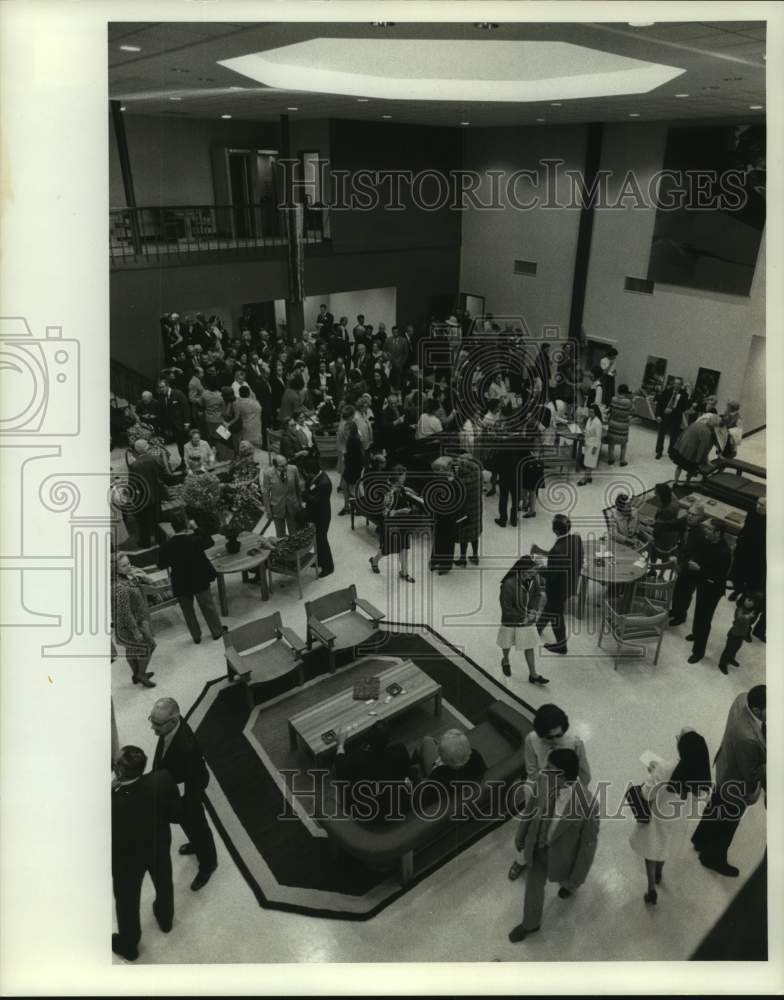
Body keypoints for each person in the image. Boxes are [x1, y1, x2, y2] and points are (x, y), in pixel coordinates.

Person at [508, 748, 599, 943]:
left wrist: (577, 878)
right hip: (537, 847)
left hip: (563, 858)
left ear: (563, 776)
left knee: (565, 881)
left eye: (550, 769)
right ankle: (530, 924)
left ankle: (569, 887)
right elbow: (531, 808)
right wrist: (521, 833)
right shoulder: (543, 781)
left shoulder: (588, 805)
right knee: (533, 889)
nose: (545, 771)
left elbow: (587, 847)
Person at [111, 745, 181, 961]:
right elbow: (176, 815)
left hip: (126, 859)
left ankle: (129, 945)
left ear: (119, 772)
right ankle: (165, 919)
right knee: (164, 883)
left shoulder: (109, 801)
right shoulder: (162, 780)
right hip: (157, 846)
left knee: (127, 901)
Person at [508, 704, 591, 880]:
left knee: (556, 834)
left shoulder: (575, 744)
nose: (554, 740)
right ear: (540, 734)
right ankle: (521, 860)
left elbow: (584, 776)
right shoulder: (531, 740)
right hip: (540, 792)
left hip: (564, 797)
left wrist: (570, 796)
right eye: (548, 737)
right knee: (531, 831)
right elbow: (531, 771)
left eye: (558, 735)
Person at [629, 729, 711, 905]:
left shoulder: (665, 768)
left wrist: (651, 772)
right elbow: (699, 798)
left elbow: (646, 794)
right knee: (665, 846)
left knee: (651, 849)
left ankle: (651, 887)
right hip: (679, 819)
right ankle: (660, 872)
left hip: (658, 816)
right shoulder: (700, 775)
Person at [691, 686, 766, 877]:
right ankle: (712, 858)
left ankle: (700, 839)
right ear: (757, 711)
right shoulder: (748, 739)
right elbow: (751, 774)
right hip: (735, 784)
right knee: (727, 824)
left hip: (725, 765)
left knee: (715, 806)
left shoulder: (742, 698)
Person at [150, 697, 218, 891]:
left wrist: (181, 801)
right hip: (180, 782)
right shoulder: (171, 728)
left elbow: (191, 780)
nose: (153, 728)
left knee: (197, 824)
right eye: (152, 721)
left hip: (190, 790)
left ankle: (208, 864)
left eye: (157, 724)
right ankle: (196, 844)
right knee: (186, 822)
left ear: (173, 721)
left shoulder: (185, 747)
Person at [157, 511, 225, 644]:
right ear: (187, 524)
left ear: (172, 527)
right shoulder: (195, 539)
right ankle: (217, 631)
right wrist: (197, 528)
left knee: (188, 610)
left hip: (180, 580)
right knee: (208, 606)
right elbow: (210, 542)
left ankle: (196, 636)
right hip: (199, 577)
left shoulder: (167, 545)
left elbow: (161, 565)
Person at [333, 721, 413, 819]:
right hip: (393, 805)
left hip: (366, 812)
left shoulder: (357, 760)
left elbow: (340, 766)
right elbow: (407, 775)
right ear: (389, 739)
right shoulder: (400, 750)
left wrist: (340, 744)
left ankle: (343, 805)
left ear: (368, 742)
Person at [532, 514, 583, 655]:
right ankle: (538, 628)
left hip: (557, 589)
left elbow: (551, 574)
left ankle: (561, 646)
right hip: (570, 583)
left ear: (555, 530)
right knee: (550, 608)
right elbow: (579, 559)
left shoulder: (557, 550)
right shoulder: (576, 539)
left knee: (556, 615)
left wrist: (538, 566)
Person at [685, 519, 732, 664]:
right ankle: (696, 633)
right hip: (702, 583)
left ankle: (698, 652)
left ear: (718, 533)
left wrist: (699, 569)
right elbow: (699, 554)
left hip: (713, 590)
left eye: (710, 529)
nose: (706, 530)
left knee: (705, 620)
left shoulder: (724, 552)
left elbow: (718, 576)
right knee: (698, 611)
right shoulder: (707, 541)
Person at [497, 556, 548, 685]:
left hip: (527, 618)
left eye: (534, 573)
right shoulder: (508, 585)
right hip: (511, 620)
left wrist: (532, 611)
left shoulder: (533, 578)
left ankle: (533, 674)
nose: (533, 576)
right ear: (521, 570)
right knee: (507, 644)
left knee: (529, 645)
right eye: (530, 573)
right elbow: (506, 608)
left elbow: (537, 594)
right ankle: (505, 660)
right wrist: (523, 618)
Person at [112, 553, 157, 688]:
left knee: (130, 650)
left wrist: (141, 576)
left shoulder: (126, 577)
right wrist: (136, 631)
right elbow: (125, 612)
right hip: (132, 623)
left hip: (128, 622)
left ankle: (136, 674)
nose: (129, 567)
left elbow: (150, 582)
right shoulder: (119, 587)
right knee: (149, 646)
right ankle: (141, 674)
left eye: (129, 563)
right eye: (124, 565)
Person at [728, 496, 766, 642]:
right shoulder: (752, 513)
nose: (758, 506)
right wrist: (739, 542)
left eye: (762, 505)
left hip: (757, 557)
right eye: (758, 503)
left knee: (751, 584)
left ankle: (743, 597)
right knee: (737, 575)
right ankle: (737, 590)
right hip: (744, 550)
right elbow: (746, 529)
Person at [369, 464, 415, 583]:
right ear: (398, 476)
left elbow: (403, 493)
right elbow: (384, 513)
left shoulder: (400, 487)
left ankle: (404, 573)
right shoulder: (389, 492)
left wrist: (409, 492)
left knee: (404, 547)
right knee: (387, 550)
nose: (405, 477)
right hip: (392, 525)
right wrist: (401, 511)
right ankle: (374, 561)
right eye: (403, 475)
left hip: (403, 523)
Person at [415, 729, 486, 796]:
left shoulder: (438, 774)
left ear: (443, 759)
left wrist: (435, 767)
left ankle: (415, 759)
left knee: (427, 740)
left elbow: (427, 792)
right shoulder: (476, 756)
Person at [668, 503, 707, 626]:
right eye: (689, 513)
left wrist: (682, 565)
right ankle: (675, 610)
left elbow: (696, 555)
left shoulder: (701, 534)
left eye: (694, 515)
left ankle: (681, 616)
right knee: (677, 590)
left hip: (691, 569)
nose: (690, 516)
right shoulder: (686, 523)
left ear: (700, 517)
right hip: (682, 564)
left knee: (685, 593)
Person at [129, 438, 169, 549]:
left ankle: (145, 542)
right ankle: (162, 541)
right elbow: (165, 476)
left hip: (144, 497)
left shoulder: (134, 465)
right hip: (157, 494)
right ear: (147, 447)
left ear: (137, 451)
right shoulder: (156, 459)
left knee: (143, 522)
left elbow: (133, 484)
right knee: (157, 519)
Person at [302, 456, 334, 578]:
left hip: (322, 516)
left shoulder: (324, 483)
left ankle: (328, 567)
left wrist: (305, 495)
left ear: (311, 471)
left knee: (322, 541)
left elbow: (317, 501)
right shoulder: (316, 477)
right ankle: (320, 560)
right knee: (318, 540)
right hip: (316, 514)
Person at [260, 454, 303, 537]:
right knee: (280, 535)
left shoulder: (293, 469)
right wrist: (268, 510)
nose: (285, 467)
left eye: (286, 464)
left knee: (295, 533)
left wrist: (300, 503)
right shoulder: (268, 473)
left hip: (292, 505)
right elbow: (265, 493)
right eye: (282, 466)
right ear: (275, 466)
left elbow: (298, 487)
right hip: (277, 507)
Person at [671, 413, 722, 483]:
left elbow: (683, 433)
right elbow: (703, 447)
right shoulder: (707, 432)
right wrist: (701, 460)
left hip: (683, 448)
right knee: (691, 469)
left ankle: (675, 481)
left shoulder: (696, 423)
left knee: (679, 466)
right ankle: (687, 482)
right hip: (692, 453)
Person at [718, 595, 758, 675]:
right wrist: (748, 616)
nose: (750, 603)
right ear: (744, 599)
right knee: (729, 649)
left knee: (736, 648)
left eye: (753, 602)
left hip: (741, 635)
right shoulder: (739, 609)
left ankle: (731, 658)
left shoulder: (750, 612)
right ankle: (722, 664)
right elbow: (739, 618)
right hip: (734, 634)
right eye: (749, 599)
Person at [455, 452, 483, 566]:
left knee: (464, 534)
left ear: (467, 461)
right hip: (477, 508)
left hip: (466, 509)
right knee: (474, 534)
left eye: (462, 460)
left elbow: (460, 486)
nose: (460, 462)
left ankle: (462, 559)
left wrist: (455, 476)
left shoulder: (467, 478)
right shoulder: (478, 472)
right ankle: (475, 556)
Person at [157, 377, 190, 466]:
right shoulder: (162, 397)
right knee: (179, 444)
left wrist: (187, 422)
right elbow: (164, 413)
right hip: (173, 426)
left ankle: (189, 462)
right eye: (159, 387)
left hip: (181, 424)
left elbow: (185, 407)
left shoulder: (178, 393)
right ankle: (183, 461)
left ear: (167, 386)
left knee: (185, 444)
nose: (161, 389)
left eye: (162, 387)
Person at [654, 377, 690, 460]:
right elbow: (660, 404)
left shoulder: (684, 395)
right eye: (675, 383)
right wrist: (658, 415)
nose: (677, 385)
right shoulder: (667, 391)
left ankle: (671, 452)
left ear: (681, 385)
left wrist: (672, 410)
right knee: (661, 434)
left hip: (675, 418)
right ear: (673, 383)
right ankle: (659, 451)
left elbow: (683, 408)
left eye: (679, 384)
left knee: (673, 436)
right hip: (664, 416)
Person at [649, 482, 685, 564]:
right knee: (666, 553)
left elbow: (660, 527)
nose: (654, 494)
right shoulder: (672, 498)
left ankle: (654, 568)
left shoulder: (667, 510)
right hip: (673, 532)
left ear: (661, 495)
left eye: (656, 493)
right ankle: (664, 567)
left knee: (656, 552)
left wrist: (654, 525)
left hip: (665, 535)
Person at [339, 419, 364, 516]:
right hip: (352, 466)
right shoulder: (352, 438)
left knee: (354, 488)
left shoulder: (353, 440)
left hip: (354, 467)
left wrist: (345, 455)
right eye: (345, 429)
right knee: (347, 486)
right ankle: (348, 507)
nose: (345, 431)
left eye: (347, 429)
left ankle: (356, 507)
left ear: (352, 430)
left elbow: (355, 456)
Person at [606, 384, 633, 466]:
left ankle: (611, 459)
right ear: (626, 392)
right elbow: (632, 411)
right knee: (623, 443)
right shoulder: (628, 402)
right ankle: (622, 460)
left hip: (613, 423)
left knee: (611, 442)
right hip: (623, 425)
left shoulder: (613, 398)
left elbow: (610, 410)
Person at [577, 404, 603, 486]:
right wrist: (583, 434)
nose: (590, 413)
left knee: (588, 463)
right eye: (589, 411)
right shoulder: (589, 419)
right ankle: (589, 477)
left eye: (592, 412)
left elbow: (598, 437)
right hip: (588, 443)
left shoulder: (598, 422)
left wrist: (595, 447)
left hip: (594, 445)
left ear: (596, 412)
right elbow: (586, 429)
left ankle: (584, 478)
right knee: (588, 461)